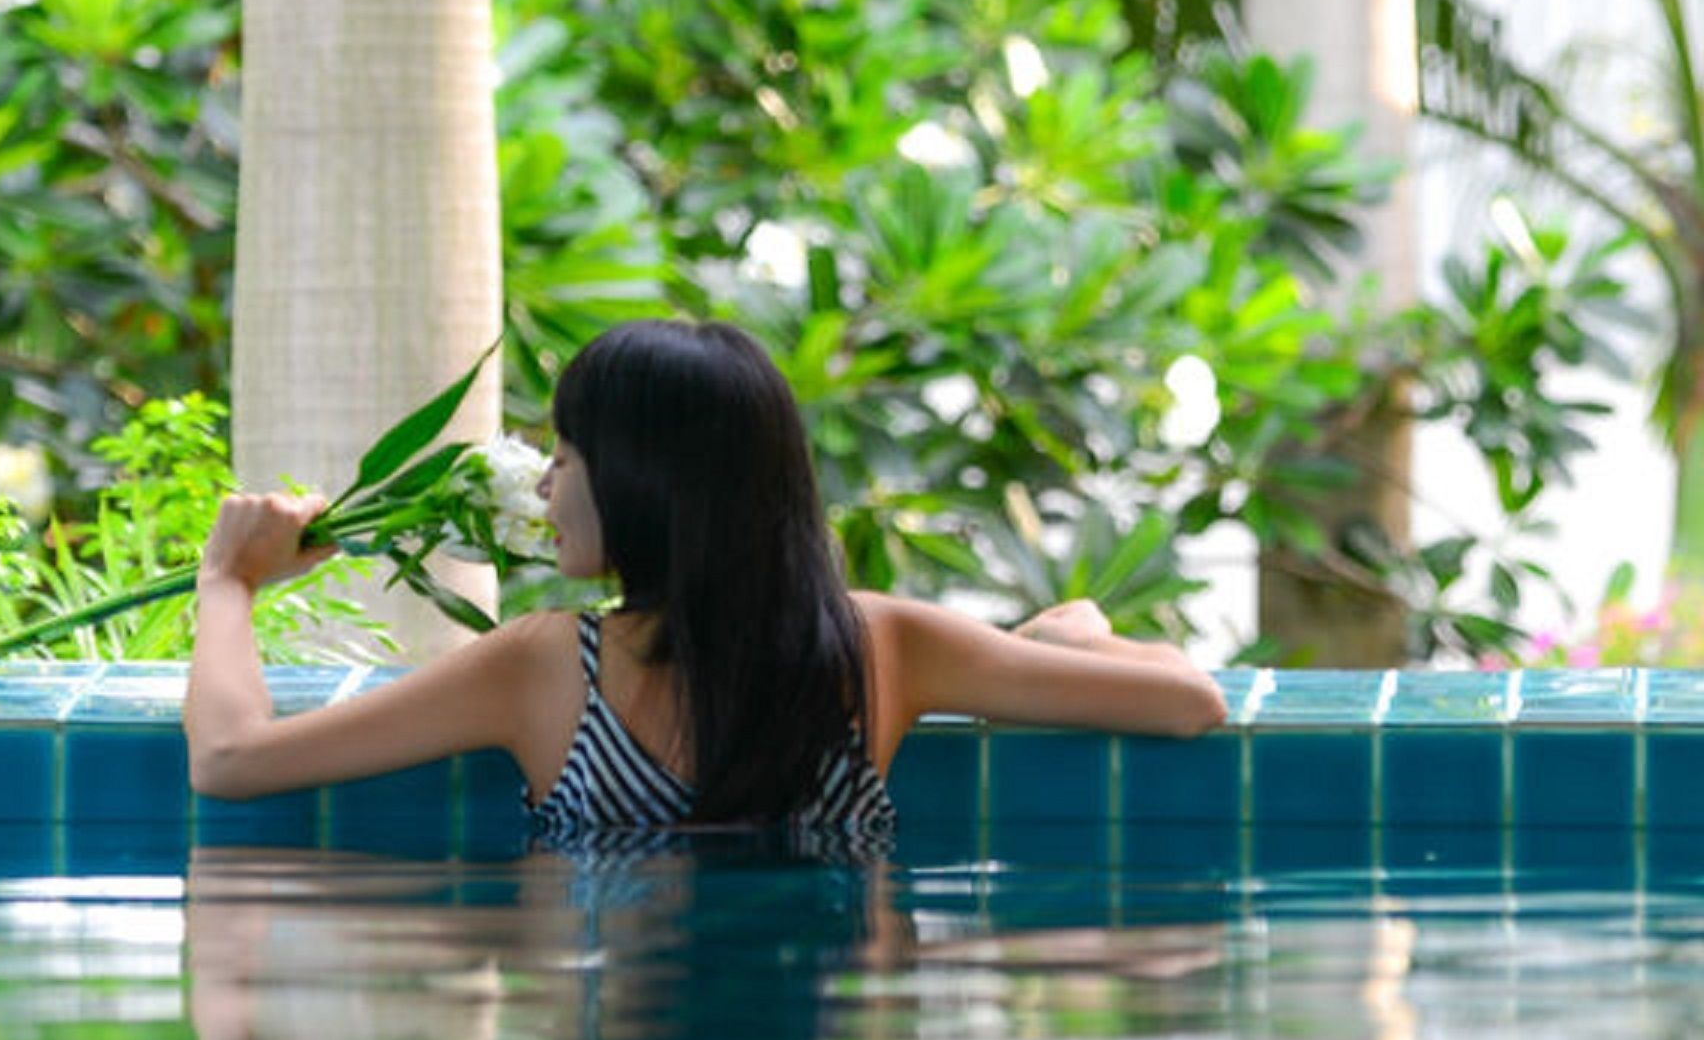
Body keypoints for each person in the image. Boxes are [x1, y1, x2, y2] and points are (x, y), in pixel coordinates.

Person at [185, 319, 1228, 848]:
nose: (546, 483)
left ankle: (1056, 636)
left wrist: (229, 587)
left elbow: (232, 762)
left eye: (569, 455)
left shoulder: (549, 668)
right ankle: (1056, 635)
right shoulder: (881, 644)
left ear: (645, 488)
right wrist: (1072, 654)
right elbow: (1191, 700)